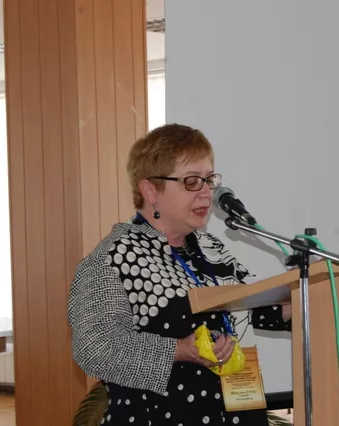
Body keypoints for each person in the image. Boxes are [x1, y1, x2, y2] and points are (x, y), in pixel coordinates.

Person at [67, 123, 292, 426]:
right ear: (150, 191)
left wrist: (304, 299)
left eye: (209, 180)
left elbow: (253, 307)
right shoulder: (114, 257)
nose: (207, 193)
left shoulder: (211, 248)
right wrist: (181, 350)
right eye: (192, 181)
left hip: (236, 411)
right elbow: (94, 348)